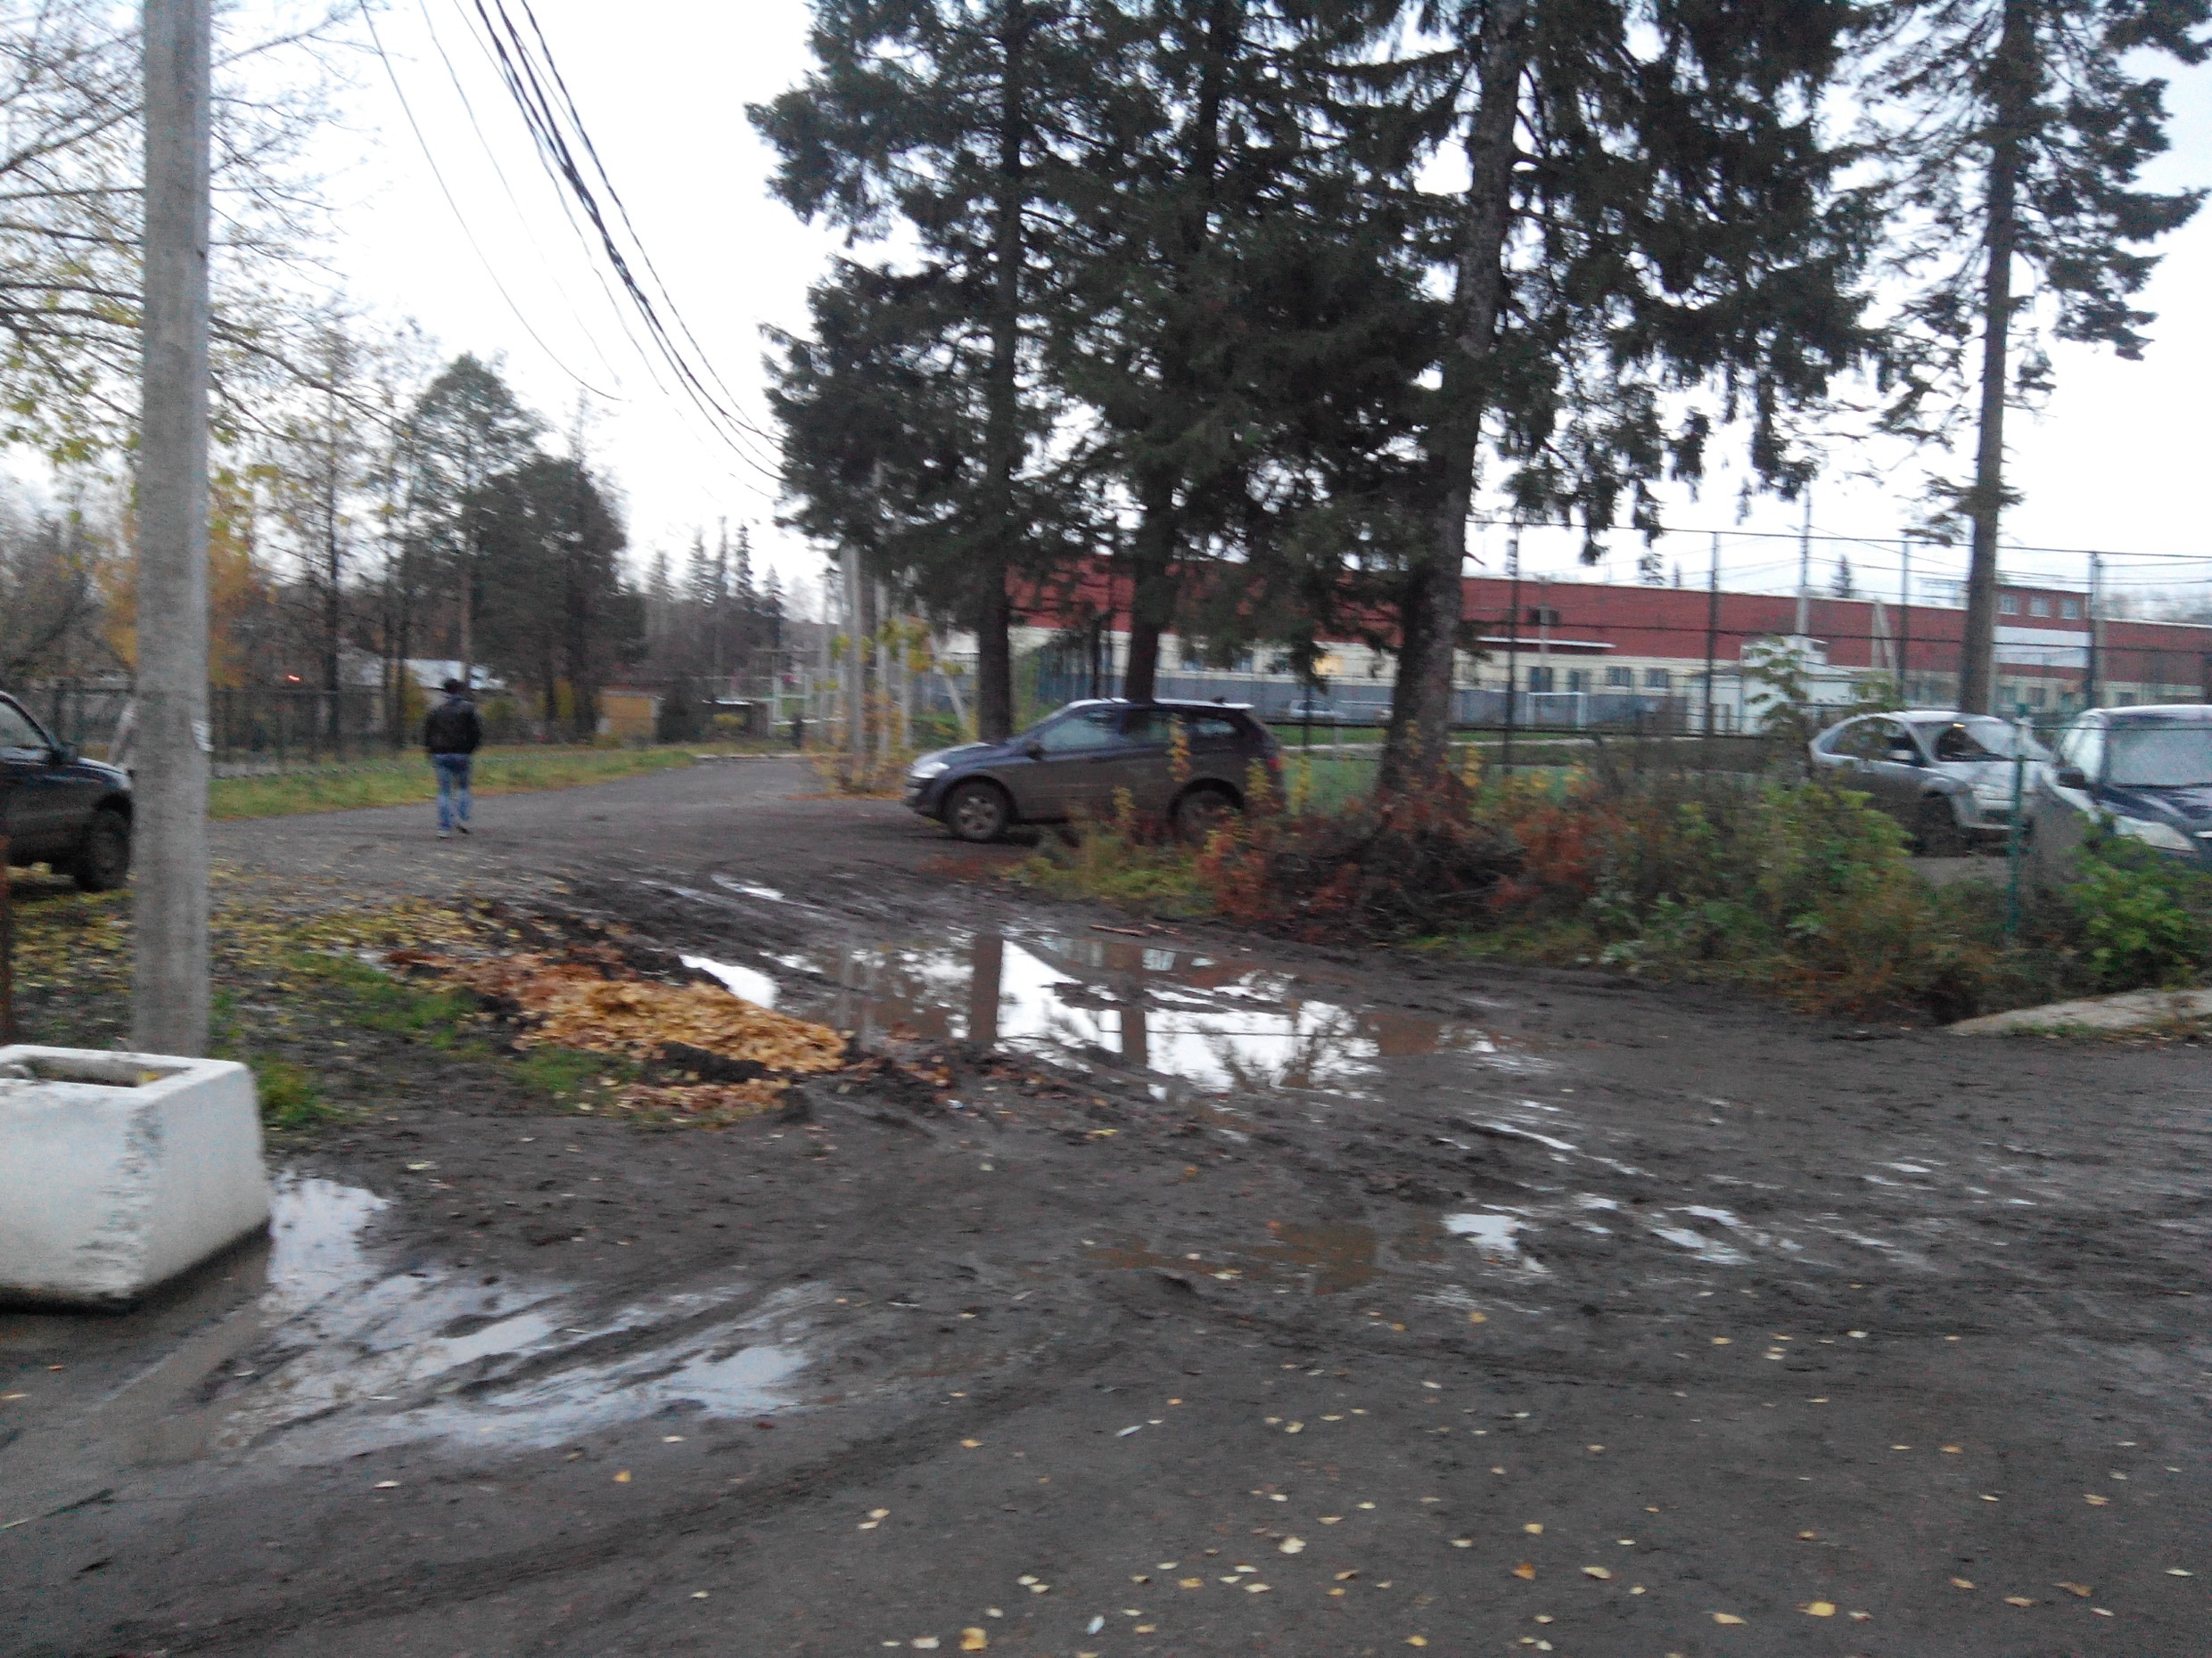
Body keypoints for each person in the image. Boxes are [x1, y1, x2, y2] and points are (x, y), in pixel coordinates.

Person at [423, 677, 481, 838]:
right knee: (463, 788)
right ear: (459, 690)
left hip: (440, 753)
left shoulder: (434, 709)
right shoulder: (468, 708)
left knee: (444, 792)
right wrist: (470, 749)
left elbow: (428, 733)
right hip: (462, 753)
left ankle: (444, 828)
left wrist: (430, 750)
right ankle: (463, 819)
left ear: (444, 690)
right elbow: (476, 732)